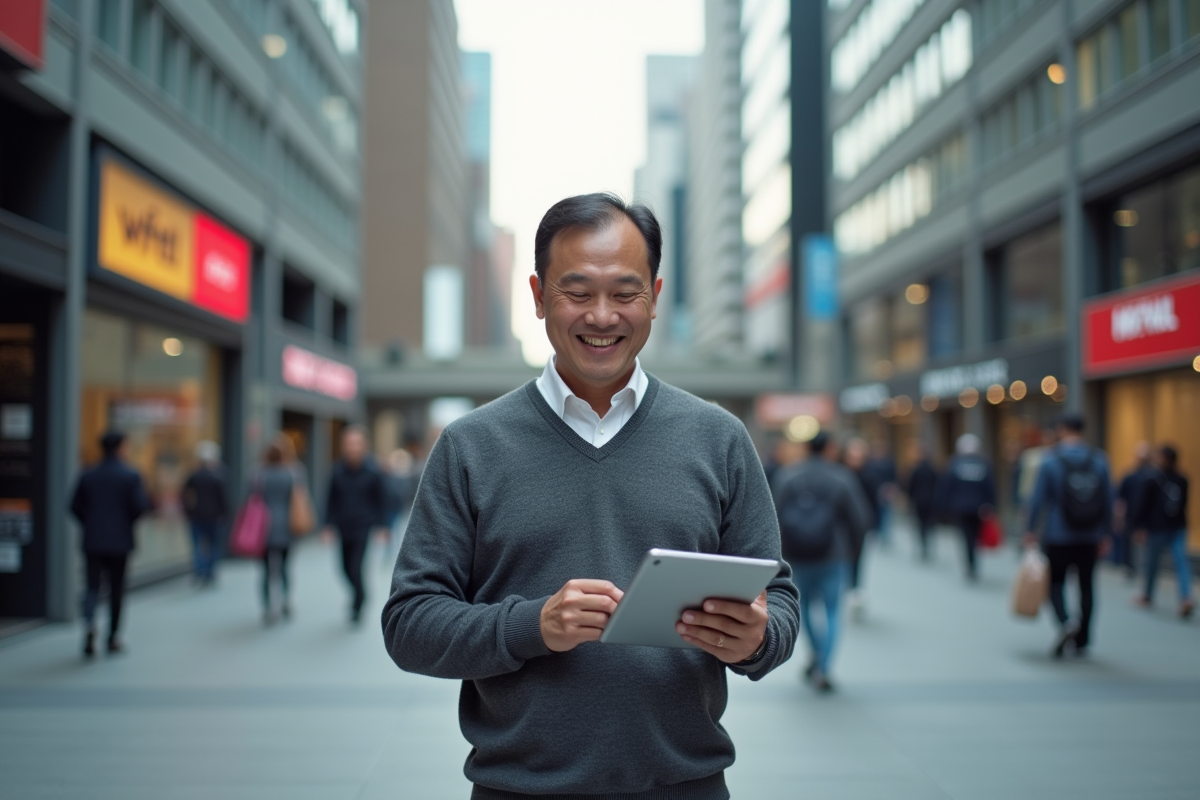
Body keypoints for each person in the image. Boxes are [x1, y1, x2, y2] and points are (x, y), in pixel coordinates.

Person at [381, 193, 799, 798]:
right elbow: (409, 624)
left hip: (688, 786)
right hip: (517, 790)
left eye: (625, 294)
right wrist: (531, 625)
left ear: (654, 297)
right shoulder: (471, 445)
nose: (602, 316)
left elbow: (778, 598)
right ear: (537, 296)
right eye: (577, 292)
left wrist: (758, 639)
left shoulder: (720, 438)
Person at [773, 431, 871, 693]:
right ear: (829, 448)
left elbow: (774, 516)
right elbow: (860, 520)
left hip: (798, 555)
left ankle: (815, 655)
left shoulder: (788, 476)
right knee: (832, 611)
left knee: (803, 607)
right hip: (833, 554)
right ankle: (824, 667)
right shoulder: (842, 477)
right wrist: (852, 552)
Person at [1025, 413, 1113, 658]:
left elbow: (1038, 499)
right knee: (1087, 585)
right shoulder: (1099, 460)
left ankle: (1065, 622)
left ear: (1062, 429)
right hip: (1090, 534)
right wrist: (1106, 533)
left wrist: (1030, 529)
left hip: (1058, 534)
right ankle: (1083, 639)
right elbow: (1109, 499)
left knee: (1055, 583)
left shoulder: (1050, 460)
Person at [69, 430, 151, 657]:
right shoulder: (130, 475)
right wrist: (125, 523)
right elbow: (140, 507)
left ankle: (89, 624)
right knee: (116, 589)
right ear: (122, 447)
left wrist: (90, 522)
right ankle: (113, 636)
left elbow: (74, 506)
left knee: (92, 586)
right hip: (120, 541)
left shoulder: (88, 474)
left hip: (93, 540)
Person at [323, 426, 388, 624]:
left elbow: (382, 500)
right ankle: (359, 593)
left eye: (356, 443)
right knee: (343, 568)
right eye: (349, 443)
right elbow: (330, 500)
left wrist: (383, 526)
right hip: (343, 526)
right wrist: (326, 525)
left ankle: (358, 602)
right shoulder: (337, 471)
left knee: (355, 567)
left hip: (363, 527)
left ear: (364, 445)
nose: (352, 447)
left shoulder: (373, 471)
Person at [1131, 444, 1193, 618]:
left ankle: (1149, 595)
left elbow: (1143, 505)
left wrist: (1139, 526)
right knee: (1180, 562)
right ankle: (1185, 597)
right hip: (1177, 526)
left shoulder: (1152, 479)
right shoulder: (1182, 479)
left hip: (1158, 527)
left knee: (1153, 563)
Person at [935, 434, 997, 582]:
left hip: (960, 507)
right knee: (975, 536)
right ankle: (973, 562)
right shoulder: (983, 464)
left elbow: (946, 487)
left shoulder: (955, 463)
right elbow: (990, 487)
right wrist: (991, 505)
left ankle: (970, 563)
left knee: (965, 536)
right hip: (978, 507)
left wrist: (943, 506)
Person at [255, 442, 296, 624]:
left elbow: (251, 498)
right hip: (286, 525)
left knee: (265, 570)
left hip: (263, 528)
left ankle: (267, 606)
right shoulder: (290, 474)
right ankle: (285, 600)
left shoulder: (259, 475)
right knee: (285, 567)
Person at [181, 440, 230, 587]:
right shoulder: (218, 476)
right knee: (213, 545)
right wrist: (225, 514)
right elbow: (223, 499)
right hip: (213, 516)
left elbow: (185, 495)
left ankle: (201, 571)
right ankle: (209, 571)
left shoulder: (194, 476)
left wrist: (188, 511)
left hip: (197, 515)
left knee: (198, 545)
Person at [842, 437, 876, 618]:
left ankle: (855, 590)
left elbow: (874, 502)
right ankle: (846, 589)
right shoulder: (841, 473)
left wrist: (873, 525)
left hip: (861, 526)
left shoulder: (869, 475)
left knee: (858, 559)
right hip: (842, 527)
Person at [1113, 441, 1153, 579]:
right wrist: (1119, 518)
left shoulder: (1154, 476)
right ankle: (1130, 567)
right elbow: (1120, 500)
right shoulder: (1130, 476)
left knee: (1147, 546)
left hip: (1150, 519)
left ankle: (1145, 570)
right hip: (1131, 516)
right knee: (1129, 545)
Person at [904, 441, 940, 561]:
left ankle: (924, 543)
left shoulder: (917, 470)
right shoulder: (932, 469)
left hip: (919, 500)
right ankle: (927, 543)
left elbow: (911, 486)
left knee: (920, 524)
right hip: (931, 501)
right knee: (929, 523)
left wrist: (910, 499)